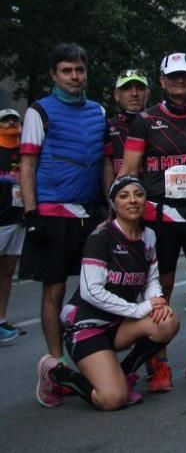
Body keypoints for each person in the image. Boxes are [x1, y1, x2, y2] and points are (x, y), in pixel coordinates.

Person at [120, 52, 186, 388]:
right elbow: (129, 171)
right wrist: (123, 219)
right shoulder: (145, 121)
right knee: (160, 289)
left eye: (185, 76)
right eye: (173, 77)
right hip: (157, 216)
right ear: (163, 81)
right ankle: (158, 361)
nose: (179, 82)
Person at [36, 176, 179, 409]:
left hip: (118, 325)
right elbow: (91, 291)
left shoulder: (149, 235)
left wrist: (157, 302)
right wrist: (140, 308)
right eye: (124, 196)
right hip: (86, 326)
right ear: (113, 204)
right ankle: (55, 373)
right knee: (112, 399)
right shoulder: (100, 238)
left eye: (138, 194)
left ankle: (124, 374)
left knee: (167, 322)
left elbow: (151, 279)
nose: (132, 200)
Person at [19, 43, 111, 364]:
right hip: (51, 213)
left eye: (80, 70)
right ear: (54, 75)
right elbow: (27, 164)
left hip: (90, 214)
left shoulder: (98, 111)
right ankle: (55, 363)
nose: (74, 76)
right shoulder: (38, 111)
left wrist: (111, 206)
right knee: (54, 291)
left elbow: (105, 164)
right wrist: (30, 213)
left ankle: (93, 356)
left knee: (99, 287)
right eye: (67, 71)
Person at [0, 108, 25, 344]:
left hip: (18, 220)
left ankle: (1, 319)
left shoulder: (23, 151)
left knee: (7, 272)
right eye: (5, 120)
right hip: (0, 220)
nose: (10, 123)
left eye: (14, 120)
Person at [108, 70, 151, 177]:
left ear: (148, 94)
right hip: (119, 191)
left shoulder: (159, 125)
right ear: (116, 95)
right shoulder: (107, 127)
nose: (134, 93)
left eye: (140, 88)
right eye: (127, 88)